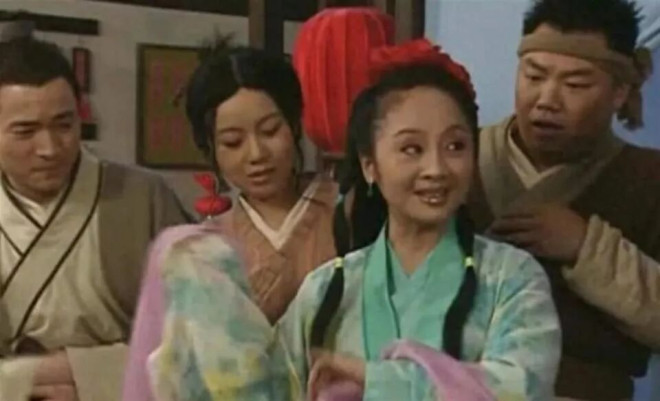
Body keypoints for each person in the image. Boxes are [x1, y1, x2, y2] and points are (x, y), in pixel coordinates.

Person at [146, 39, 561, 401]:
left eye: (455, 146)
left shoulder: (512, 279)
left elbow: (521, 388)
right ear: (369, 165)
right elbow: (274, 391)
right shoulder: (326, 288)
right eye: (411, 149)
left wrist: (374, 380)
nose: (436, 168)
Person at [121, 37, 338, 401]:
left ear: (295, 125)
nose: (256, 154)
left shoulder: (348, 212)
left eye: (270, 131)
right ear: (210, 149)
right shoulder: (205, 249)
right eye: (233, 142)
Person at [468, 0, 660, 399]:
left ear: (620, 92)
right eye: (534, 76)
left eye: (575, 85)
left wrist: (586, 247)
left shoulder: (648, 179)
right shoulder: (457, 158)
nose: (546, 100)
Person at [0, 37, 189, 401]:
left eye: (64, 125)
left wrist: (80, 374)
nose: (49, 149)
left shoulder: (142, 198)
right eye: (25, 131)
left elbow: (196, 334)